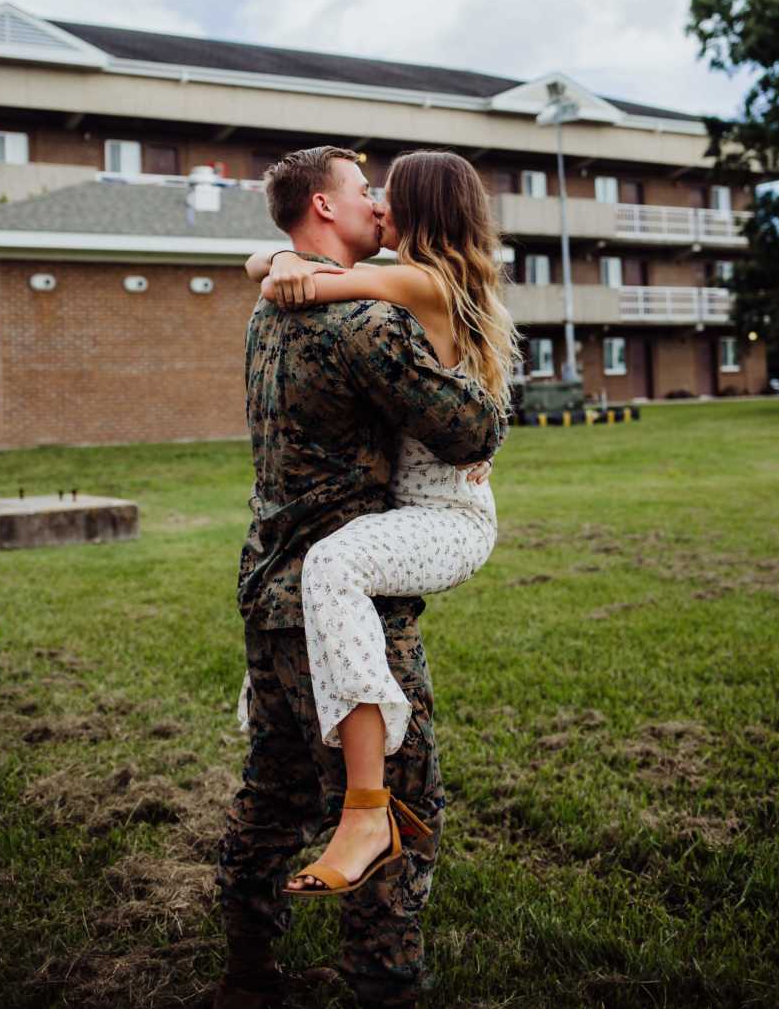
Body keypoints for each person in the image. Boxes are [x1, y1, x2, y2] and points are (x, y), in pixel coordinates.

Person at [216, 146, 506, 1009]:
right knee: (392, 806)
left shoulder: (265, 316)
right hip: (346, 605)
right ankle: (385, 987)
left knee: (271, 791)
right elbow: (468, 432)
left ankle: (247, 971)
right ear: (325, 207)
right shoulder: (367, 324)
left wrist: (273, 261)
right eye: (362, 191)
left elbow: (269, 269)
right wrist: (488, 414)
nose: (377, 205)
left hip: (267, 587)